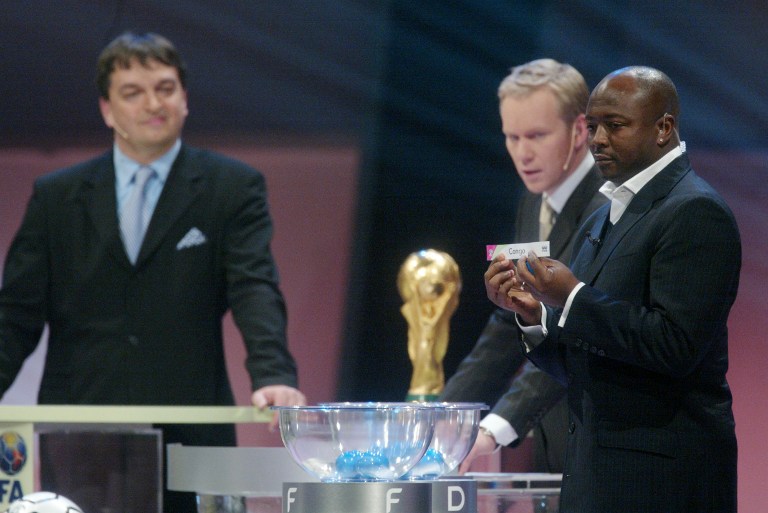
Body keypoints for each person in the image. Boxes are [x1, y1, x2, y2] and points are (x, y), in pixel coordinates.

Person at [0, 32, 306, 512]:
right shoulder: (57, 198)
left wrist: (273, 373)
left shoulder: (232, 188)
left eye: (165, 88)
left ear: (185, 99)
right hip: (79, 428)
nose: (152, 103)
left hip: (193, 428)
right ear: (106, 110)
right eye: (133, 92)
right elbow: (15, 315)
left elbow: (254, 286)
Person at [487, 66, 740, 512]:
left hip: (662, 484)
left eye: (615, 125)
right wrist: (534, 318)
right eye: (595, 125)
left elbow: (674, 346)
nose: (598, 139)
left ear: (664, 128)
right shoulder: (606, 213)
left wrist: (571, 296)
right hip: (596, 479)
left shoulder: (696, 211)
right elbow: (587, 365)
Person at [440, 59, 607, 473]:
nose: (522, 153)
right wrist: (442, 416)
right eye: (511, 137)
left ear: (579, 130)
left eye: (536, 135)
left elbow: (577, 335)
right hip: (554, 442)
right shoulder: (536, 198)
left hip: (608, 446)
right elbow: (509, 322)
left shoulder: (611, 203)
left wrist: (493, 430)